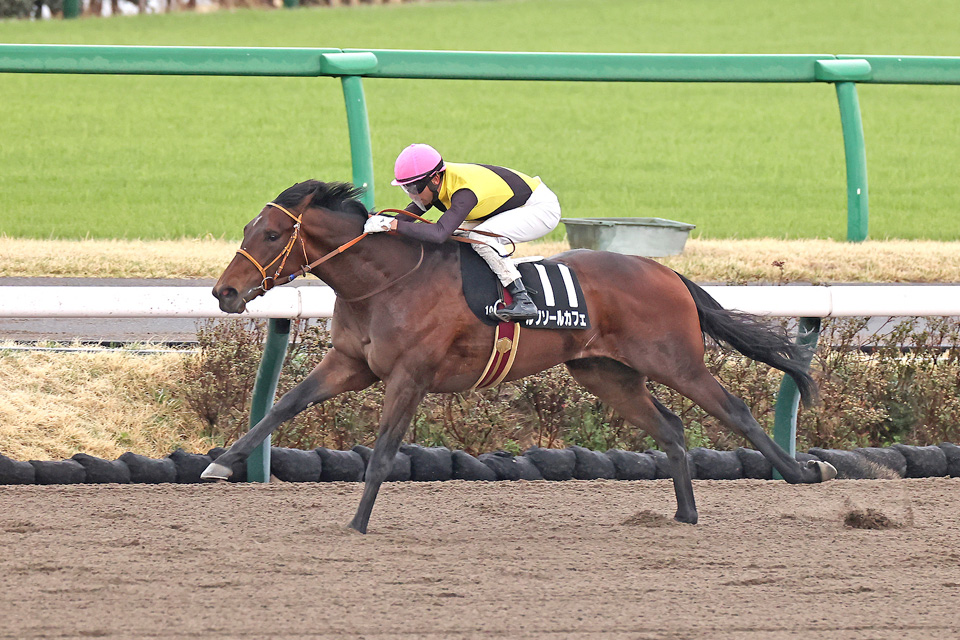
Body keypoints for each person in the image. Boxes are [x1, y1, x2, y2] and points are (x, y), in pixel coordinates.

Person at [363, 144, 561, 322]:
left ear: (435, 179)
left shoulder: (463, 191)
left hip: (539, 208)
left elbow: (439, 233)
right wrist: (371, 221)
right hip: (507, 207)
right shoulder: (434, 185)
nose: (412, 194)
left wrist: (392, 225)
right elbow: (406, 218)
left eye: (414, 187)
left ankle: (523, 300)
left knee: (480, 237)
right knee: (461, 235)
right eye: (406, 188)